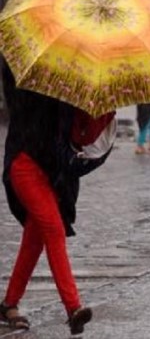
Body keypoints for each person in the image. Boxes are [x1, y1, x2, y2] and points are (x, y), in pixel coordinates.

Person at [0, 61, 116, 335]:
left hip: (56, 173)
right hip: (25, 161)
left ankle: (9, 304)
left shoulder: (73, 74)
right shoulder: (24, 69)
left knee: (35, 239)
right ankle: (73, 308)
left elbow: (78, 131)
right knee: (53, 229)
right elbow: (20, 106)